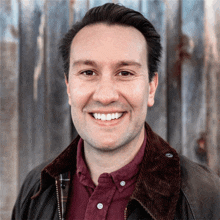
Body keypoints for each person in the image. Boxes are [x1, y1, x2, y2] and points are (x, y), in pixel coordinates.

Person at [12, 3, 220, 220]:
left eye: (125, 73)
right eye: (88, 72)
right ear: (69, 87)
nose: (105, 95)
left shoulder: (204, 197)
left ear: (151, 87)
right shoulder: (37, 188)